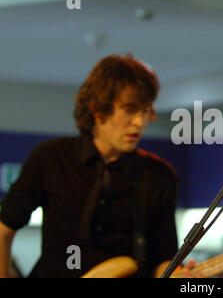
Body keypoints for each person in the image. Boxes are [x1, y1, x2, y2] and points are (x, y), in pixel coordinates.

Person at [0, 54, 179, 278]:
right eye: (130, 109)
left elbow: (163, 258)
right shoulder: (51, 157)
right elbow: (4, 229)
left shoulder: (158, 175)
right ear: (98, 108)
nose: (140, 122)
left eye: (146, 110)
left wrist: (179, 275)